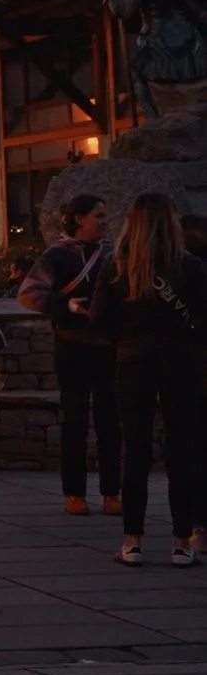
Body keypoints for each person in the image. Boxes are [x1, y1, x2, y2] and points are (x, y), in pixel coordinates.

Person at [94, 191, 207, 566]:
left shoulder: (117, 266)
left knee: (136, 451)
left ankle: (133, 541)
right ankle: (181, 542)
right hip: (181, 366)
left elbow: (100, 319)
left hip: (133, 363)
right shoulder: (190, 267)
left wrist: (125, 339)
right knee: (182, 452)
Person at [20, 195, 120, 518]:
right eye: (99, 216)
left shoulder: (113, 255)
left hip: (107, 347)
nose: (105, 221)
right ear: (79, 219)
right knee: (74, 421)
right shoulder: (57, 256)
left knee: (110, 423)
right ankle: (74, 493)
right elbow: (29, 293)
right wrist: (66, 306)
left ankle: (112, 492)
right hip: (72, 346)